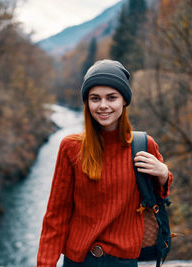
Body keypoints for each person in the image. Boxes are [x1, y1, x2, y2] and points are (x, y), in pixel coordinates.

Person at [37, 59, 173, 267]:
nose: (103, 106)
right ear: (87, 102)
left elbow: (157, 195)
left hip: (124, 262)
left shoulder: (143, 145)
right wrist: (45, 264)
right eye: (95, 98)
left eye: (111, 98)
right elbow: (56, 215)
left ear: (124, 101)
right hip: (78, 261)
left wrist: (164, 174)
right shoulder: (71, 147)